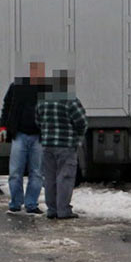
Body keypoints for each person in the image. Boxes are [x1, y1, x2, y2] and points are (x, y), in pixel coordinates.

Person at [0, 61, 50, 214]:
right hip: (19, 135)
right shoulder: (16, 87)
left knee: (36, 173)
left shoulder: (46, 89)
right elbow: (6, 106)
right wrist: (3, 126)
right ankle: (16, 203)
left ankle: (31, 204)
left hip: (37, 136)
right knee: (16, 172)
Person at [35, 70, 87, 220]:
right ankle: (63, 210)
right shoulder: (70, 101)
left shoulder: (42, 102)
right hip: (66, 145)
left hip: (47, 145)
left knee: (50, 178)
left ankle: (52, 210)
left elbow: (38, 121)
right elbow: (81, 121)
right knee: (65, 177)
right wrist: (78, 135)